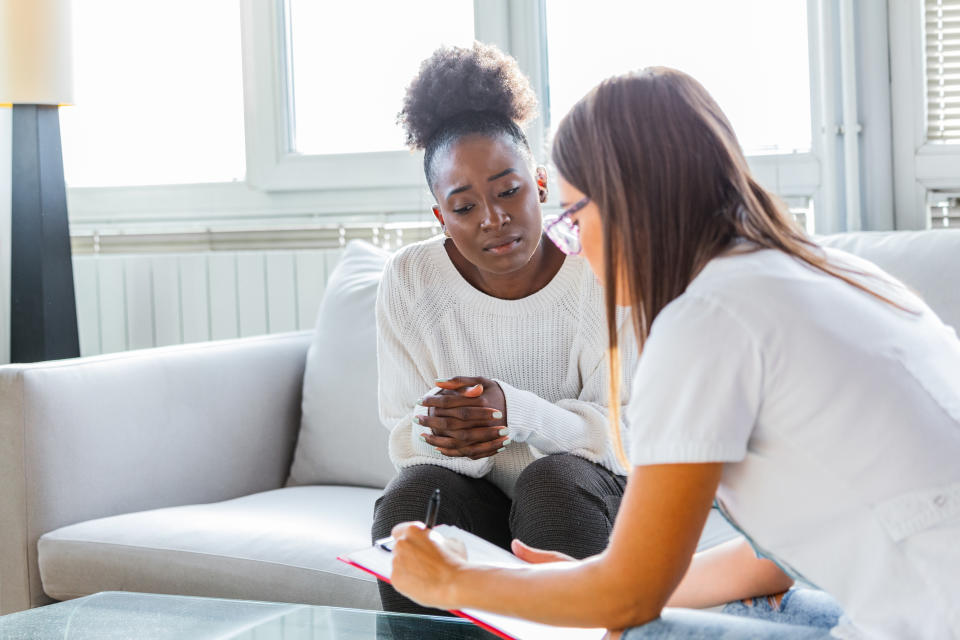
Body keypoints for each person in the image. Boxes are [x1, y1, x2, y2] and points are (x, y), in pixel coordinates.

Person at [387, 67, 960, 639]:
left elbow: (629, 598)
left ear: (628, 202)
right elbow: (770, 560)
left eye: (576, 216)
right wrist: (592, 579)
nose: (577, 245)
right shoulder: (825, 271)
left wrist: (452, 583)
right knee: (735, 606)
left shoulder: (706, 321)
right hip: (929, 598)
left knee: (634, 630)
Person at [371, 42, 651, 615]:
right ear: (440, 216)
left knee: (550, 485)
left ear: (540, 183)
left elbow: (626, 438)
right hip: (478, 498)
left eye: (508, 191)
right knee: (411, 500)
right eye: (465, 206)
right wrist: (455, 435)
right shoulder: (410, 281)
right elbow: (405, 438)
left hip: (589, 493)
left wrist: (513, 413)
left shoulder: (596, 267)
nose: (493, 219)